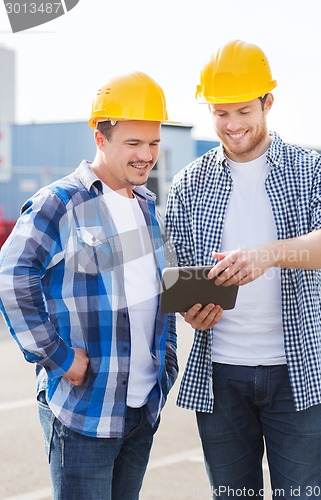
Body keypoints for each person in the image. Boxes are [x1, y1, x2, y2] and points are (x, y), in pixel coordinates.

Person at [165, 40, 321, 499]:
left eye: (243, 111)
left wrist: (266, 255)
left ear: (268, 102)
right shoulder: (188, 183)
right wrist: (191, 310)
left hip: (297, 370)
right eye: (220, 113)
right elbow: (177, 274)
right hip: (221, 375)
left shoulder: (311, 169)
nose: (231, 126)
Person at [0, 71, 180, 500]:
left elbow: (162, 293)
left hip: (139, 410)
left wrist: (166, 362)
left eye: (153, 143)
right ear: (100, 138)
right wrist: (57, 356)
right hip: (84, 413)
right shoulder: (60, 202)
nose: (146, 155)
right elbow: (11, 278)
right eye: (133, 144)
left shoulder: (149, 208)